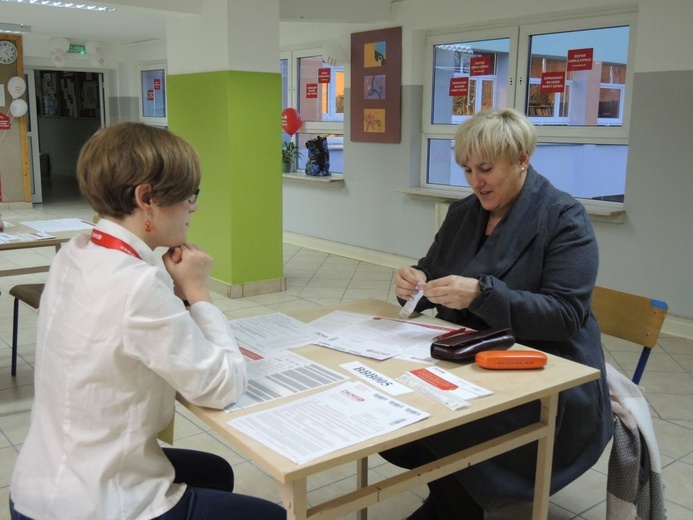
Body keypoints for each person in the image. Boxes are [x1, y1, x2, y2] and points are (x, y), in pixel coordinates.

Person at [9, 122, 285, 520]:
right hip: (92, 503)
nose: (194, 206)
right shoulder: (135, 283)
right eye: (189, 195)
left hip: (42, 477)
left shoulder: (78, 249)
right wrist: (197, 292)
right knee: (272, 516)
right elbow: (222, 387)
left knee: (215, 471)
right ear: (147, 198)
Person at [385, 108, 613, 519]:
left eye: (486, 168)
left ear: (523, 158)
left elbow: (564, 315)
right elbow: (434, 275)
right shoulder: (463, 214)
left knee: (456, 426)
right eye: (467, 169)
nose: (475, 181)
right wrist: (414, 283)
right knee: (392, 405)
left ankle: (453, 501)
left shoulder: (564, 219)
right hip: (473, 358)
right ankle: (452, 491)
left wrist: (481, 295)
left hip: (550, 375)